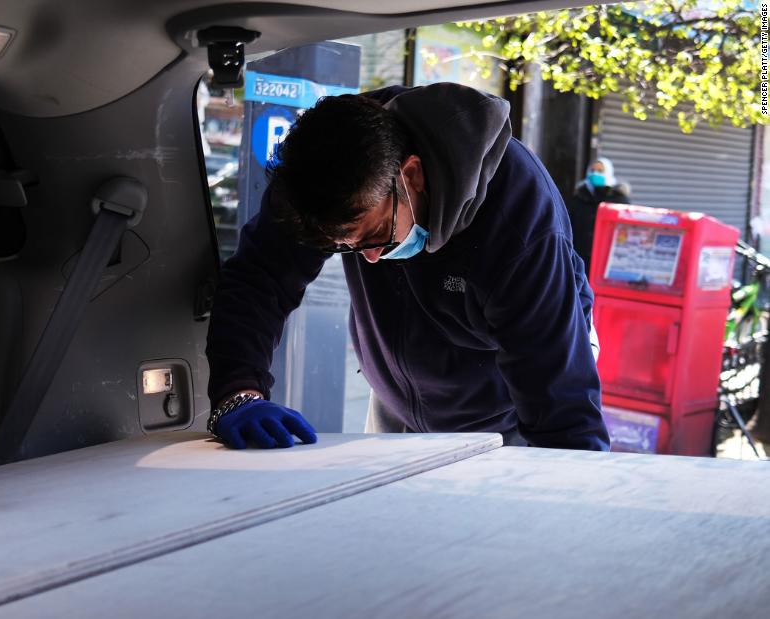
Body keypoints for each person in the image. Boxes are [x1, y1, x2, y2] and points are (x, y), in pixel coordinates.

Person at [204, 82, 609, 452]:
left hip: (509, 405)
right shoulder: (320, 167)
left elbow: (558, 392)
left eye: (374, 234)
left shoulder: (518, 219)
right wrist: (239, 391)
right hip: (396, 395)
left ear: (410, 174)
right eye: (345, 247)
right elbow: (260, 278)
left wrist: (572, 492)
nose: (371, 259)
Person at [566, 157, 630, 273]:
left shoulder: (619, 200)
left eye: (600, 171)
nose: (595, 174)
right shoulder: (579, 198)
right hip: (580, 262)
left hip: (608, 262)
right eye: (592, 170)